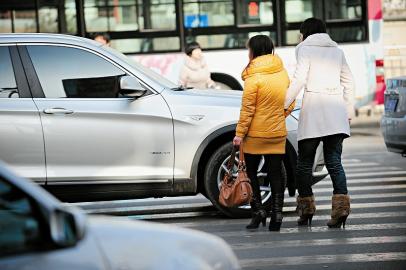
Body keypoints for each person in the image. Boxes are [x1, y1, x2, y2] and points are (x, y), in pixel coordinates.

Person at [284, 18, 355, 228]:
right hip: (335, 111)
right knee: (334, 161)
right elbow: (349, 81)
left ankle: (306, 211)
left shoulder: (304, 49)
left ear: (305, 32)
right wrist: (348, 110)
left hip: (314, 109)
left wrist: (285, 103)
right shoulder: (337, 50)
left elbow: (299, 79)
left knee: (304, 163)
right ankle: (341, 209)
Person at [233, 35, 295, 231]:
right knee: (275, 174)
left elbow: (248, 110)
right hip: (277, 133)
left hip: (255, 135)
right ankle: (277, 214)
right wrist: (279, 116)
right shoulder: (282, 73)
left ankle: (258, 211)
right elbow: (291, 100)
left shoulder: (253, 76)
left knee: (251, 174)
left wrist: (239, 134)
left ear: (254, 51)